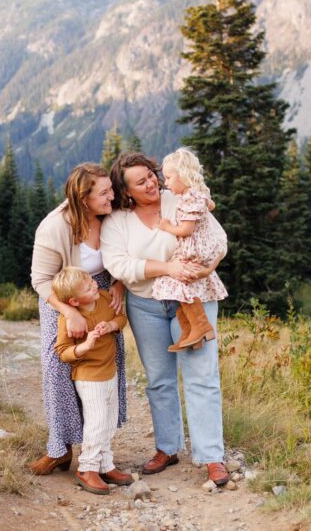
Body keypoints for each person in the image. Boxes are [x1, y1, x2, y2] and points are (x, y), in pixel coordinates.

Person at [101, 151, 230, 487]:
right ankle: (168, 447)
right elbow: (119, 265)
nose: (152, 183)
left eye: (152, 175)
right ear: (126, 191)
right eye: (141, 181)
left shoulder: (181, 199)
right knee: (160, 379)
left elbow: (218, 240)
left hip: (193, 300)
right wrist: (167, 268)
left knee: (202, 376)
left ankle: (211, 456)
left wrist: (210, 265)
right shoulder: (118, 222)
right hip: (145, 305)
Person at [28, 163, 126, 475]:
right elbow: (41, 281)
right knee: (60, 369)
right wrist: (69, 311)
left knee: (104, 365)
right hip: (63, 298)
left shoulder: (111, 216)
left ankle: (97, 453)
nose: (113, 196)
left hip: (101, 294)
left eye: (111, 189)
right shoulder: (54, 227)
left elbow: (125, 255)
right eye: (104, 192)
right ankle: (60, 449)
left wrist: (120, 284)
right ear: (83, 199)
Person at [52, 267, 134, 494]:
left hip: (110, 371)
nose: (95, 285)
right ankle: (87, 468)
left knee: (109, 420)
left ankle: (105, 465)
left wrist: (111, 326)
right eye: (88, 287)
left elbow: (121, 317)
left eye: (91, 280)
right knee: (96, 422)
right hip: (89, 377)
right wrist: (85, 346)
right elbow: (63, 351)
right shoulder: (68, 320)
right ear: (74, 301)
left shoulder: (105, 298)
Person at [152, 147, 228, 352]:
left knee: (179, 285)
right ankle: (190, 332)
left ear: (183, 176)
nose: (165, 183)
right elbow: (211, 205)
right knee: (179, 288)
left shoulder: (188, 199)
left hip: (195, 249)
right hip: (201, 248)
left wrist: (167, 227)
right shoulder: (198, 194)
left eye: (168, 178)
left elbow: (186, 229)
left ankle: (201, 327)